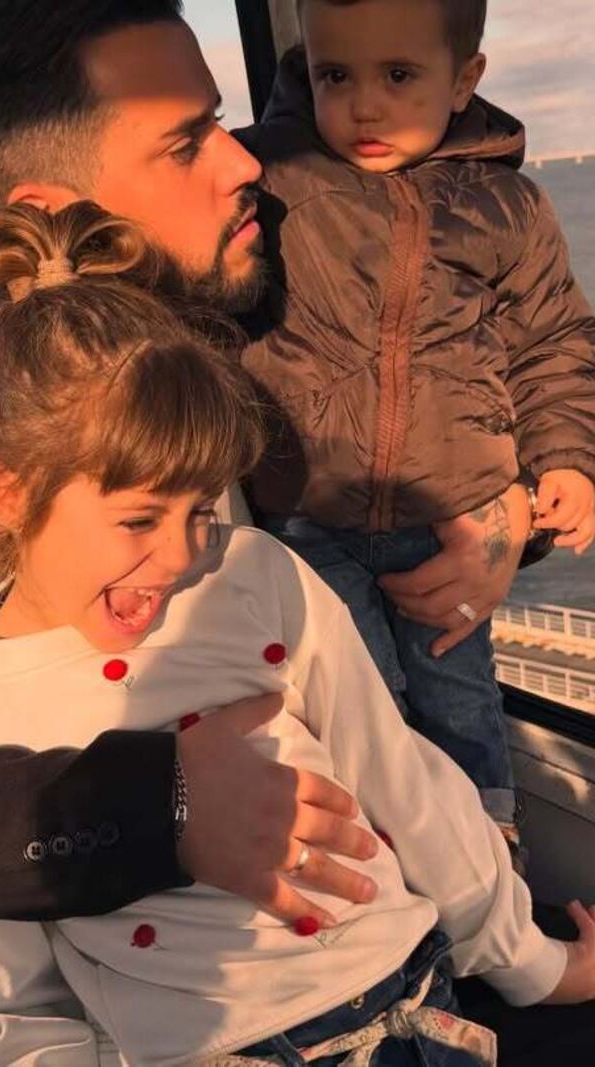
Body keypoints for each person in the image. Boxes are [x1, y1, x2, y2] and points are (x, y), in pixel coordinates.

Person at [0, 202, 594, 1067]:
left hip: (414, 1005)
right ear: (12, 493)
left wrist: (530, 961)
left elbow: (400, 777)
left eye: (201, 508)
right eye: (138, 518)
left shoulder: (251, 575)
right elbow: (18, 992)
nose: (181, 555)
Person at [0, 0, 381, 923]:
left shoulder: (230, 312)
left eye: (222, 120)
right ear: (53, 213)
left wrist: (494, 512)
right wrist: (153, 806)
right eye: (185, 142)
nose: (244, 163)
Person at [238, 0, 595, 852]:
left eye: (399, 75)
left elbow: (552, 341)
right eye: (335, 75)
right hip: (307, 512)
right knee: (360, 702)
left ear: (464, 79)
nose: (365, 105)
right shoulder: (270, 180)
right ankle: (392, 859)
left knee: (461, 697)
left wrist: (567, 459)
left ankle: (490, 846)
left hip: (450, 511)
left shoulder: (508, 207)